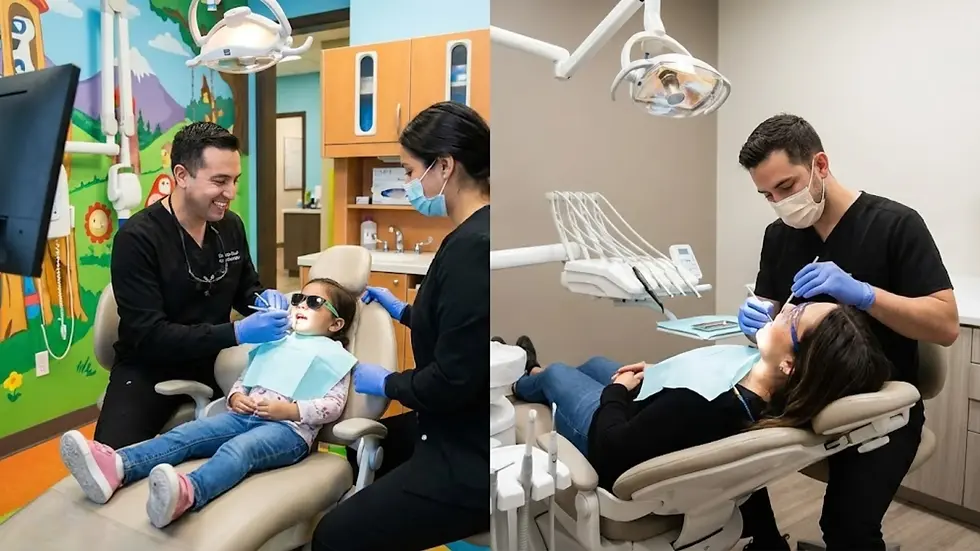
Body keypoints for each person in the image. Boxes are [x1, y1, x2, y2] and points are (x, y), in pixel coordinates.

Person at [734, 114, 959, 550]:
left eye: (786, 187)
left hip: (880, 404)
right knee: (724, 464)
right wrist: (756, 323)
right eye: (767, 195)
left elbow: (946, 325)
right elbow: (773, 314)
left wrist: (865, 295)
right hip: (801, 391)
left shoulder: (895, 225)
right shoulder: (780, 236)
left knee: (846, 526)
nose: (779, 203)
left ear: (820, 165)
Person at [310, 102, 490, 551]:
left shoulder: (473, 248)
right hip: (457, 421)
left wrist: (388, 381)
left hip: (466, 452)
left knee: (332, 536)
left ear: (445, 166)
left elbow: (451, 380)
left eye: (411, 172)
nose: (410, 185)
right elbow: (460, 328)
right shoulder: (470, 236)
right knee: (364, 452)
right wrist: (404, 311)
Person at [507, 302, 890, 500]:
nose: (784, 308)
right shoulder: (774, 393)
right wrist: (659, 372)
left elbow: (611, 448)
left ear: (790, 364)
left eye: (794, 316)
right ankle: (538, 376)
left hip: (613, 431)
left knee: (560, 373)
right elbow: (698, 380)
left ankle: (524, 376)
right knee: (595, 363)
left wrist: (619, 391)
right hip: (656, 410)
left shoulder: (702, 406)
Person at [60, 278, 356, 528]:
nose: (302, 305)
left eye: (314, 302)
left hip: (289, 431)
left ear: (336, 324)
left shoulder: (334, 357)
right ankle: (119, 465)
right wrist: (236, 396)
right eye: (299, 298)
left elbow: (332, 405)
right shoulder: (277, 340)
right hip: (244, 415)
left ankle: (188, 493)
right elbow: (247, 377)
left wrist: (291, 410)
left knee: (239, 450)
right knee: (188, 434)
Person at [95, 121, 292, 450]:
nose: (230, 193)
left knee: (258, 443)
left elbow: (245, 288)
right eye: (219, 181)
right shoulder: (138, 239)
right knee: (111, 461)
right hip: (149, 367)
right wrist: (238, 333)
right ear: (182, 175)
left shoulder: (230, 226)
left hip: (215, 362)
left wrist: (263, 300)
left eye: (234, 181)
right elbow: (151, 335)